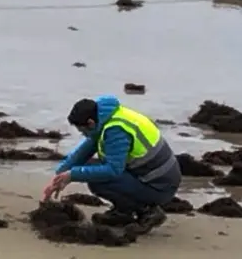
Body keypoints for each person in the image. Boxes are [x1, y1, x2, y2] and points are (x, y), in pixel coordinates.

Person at [43, 95, 182, 233]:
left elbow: (113, 170)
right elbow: (87, 148)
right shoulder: (105, 116)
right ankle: (123, 212)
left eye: (83, 131)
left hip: (160, 186)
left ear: (91, 123)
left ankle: (147, 211)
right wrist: (61, 173)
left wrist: (73, 175)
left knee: (98, 181)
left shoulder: (116, 131)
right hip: (150, 176)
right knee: (93, 170)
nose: (83, 135)